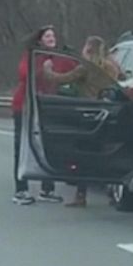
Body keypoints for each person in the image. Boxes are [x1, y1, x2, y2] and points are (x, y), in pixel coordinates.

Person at [43, 36, 120, 207]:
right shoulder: (111, 67)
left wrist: (47, 68)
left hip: (86, 113)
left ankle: (81, 195)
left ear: (89, 49)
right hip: (108, 113)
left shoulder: (85, 68)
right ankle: (114, 192)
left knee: (83, 157)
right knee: (105, 154)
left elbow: (60, 79)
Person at [12, 25, 65, 205]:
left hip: (47, 107)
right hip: (25, 107)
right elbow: (24, 74)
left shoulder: (59, 58)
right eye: (48, 36)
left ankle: (47, 190)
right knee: (22, 147)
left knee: (49, 147)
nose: (52, 38)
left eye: (53, 35)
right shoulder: (32, 56)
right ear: (40, 40)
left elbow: (70, 75)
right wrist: (43, 69)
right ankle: (21, 190)